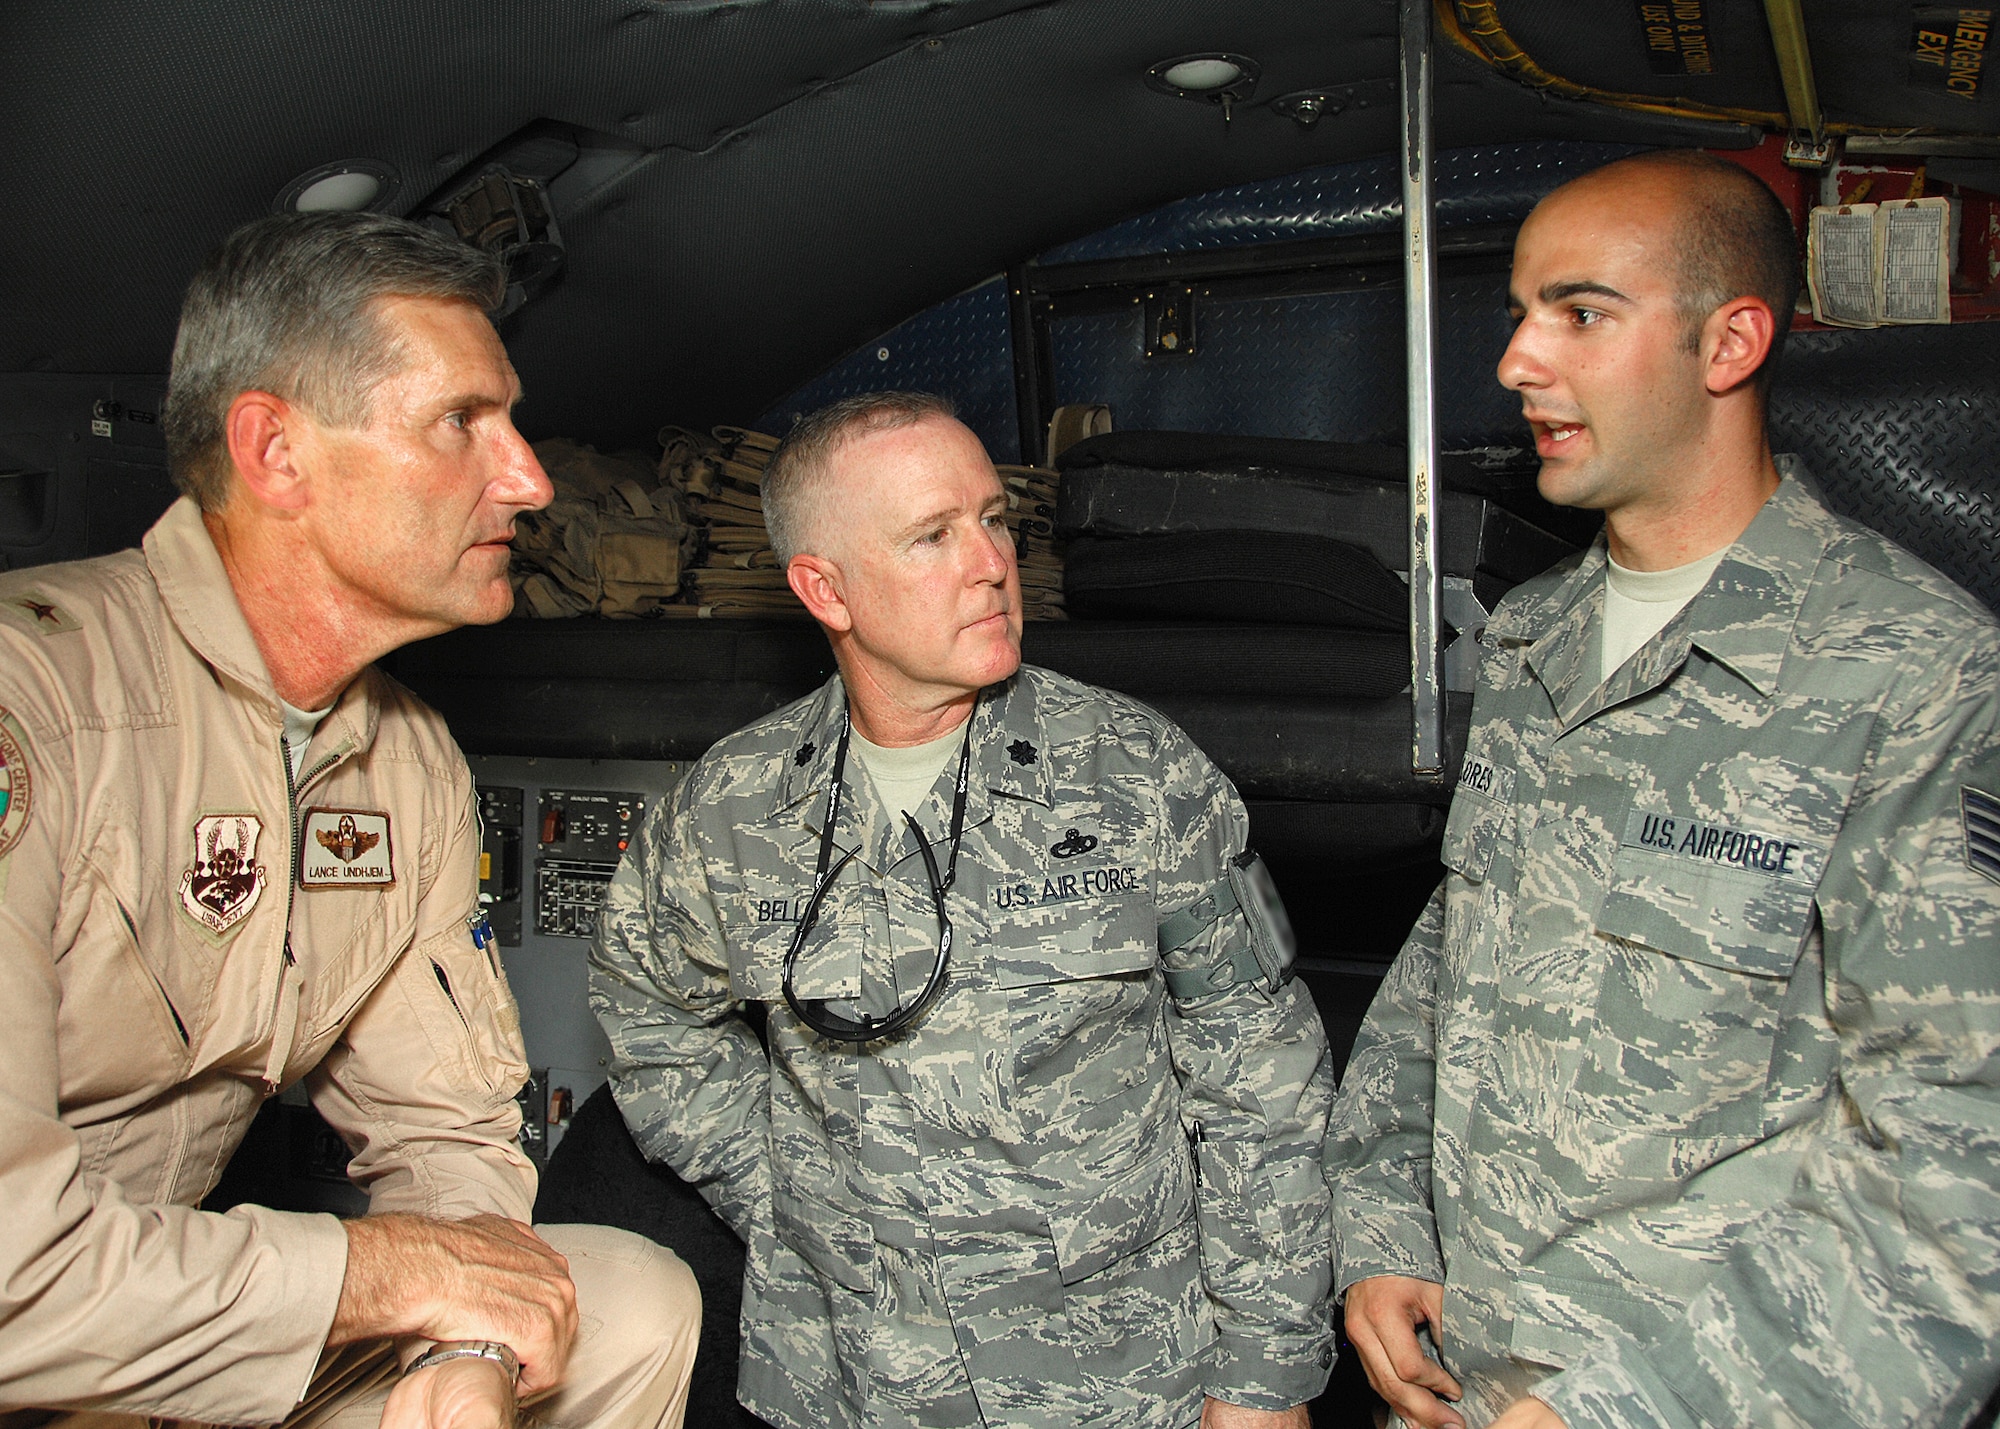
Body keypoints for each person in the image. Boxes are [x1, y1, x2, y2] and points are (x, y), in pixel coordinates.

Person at [1325, 149, 2000, 1429]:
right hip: (1472, 1383)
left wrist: (1632, 1410)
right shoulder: (1532, 637)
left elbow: (1957, 1163)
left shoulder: (1914, 675)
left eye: (1578, 313)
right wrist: (1380, 1228)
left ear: (1728, 340)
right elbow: (1448, 966)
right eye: (1521, 313)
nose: (1519, 361)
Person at [0, 212, 700, 1429]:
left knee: (627, 1300)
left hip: (156, 1326)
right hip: (39, 1314)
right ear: (274, 451)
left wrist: (465, 1343)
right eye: (461, 423)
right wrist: (387, 1277)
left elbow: (442, 1123)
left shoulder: (403, 758)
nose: (530, 478)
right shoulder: (39, 708)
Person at [591, 391, 1335, 1429]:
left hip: (1116, 1378)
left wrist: (1262, 1373)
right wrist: (784, 1196)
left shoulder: (1137, 775)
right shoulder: (727, 808)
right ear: (825, 588)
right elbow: (647, 1014)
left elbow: (1262, 1076)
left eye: (994, 519)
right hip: (842, 1381)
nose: (990, 562)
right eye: (931, 535)